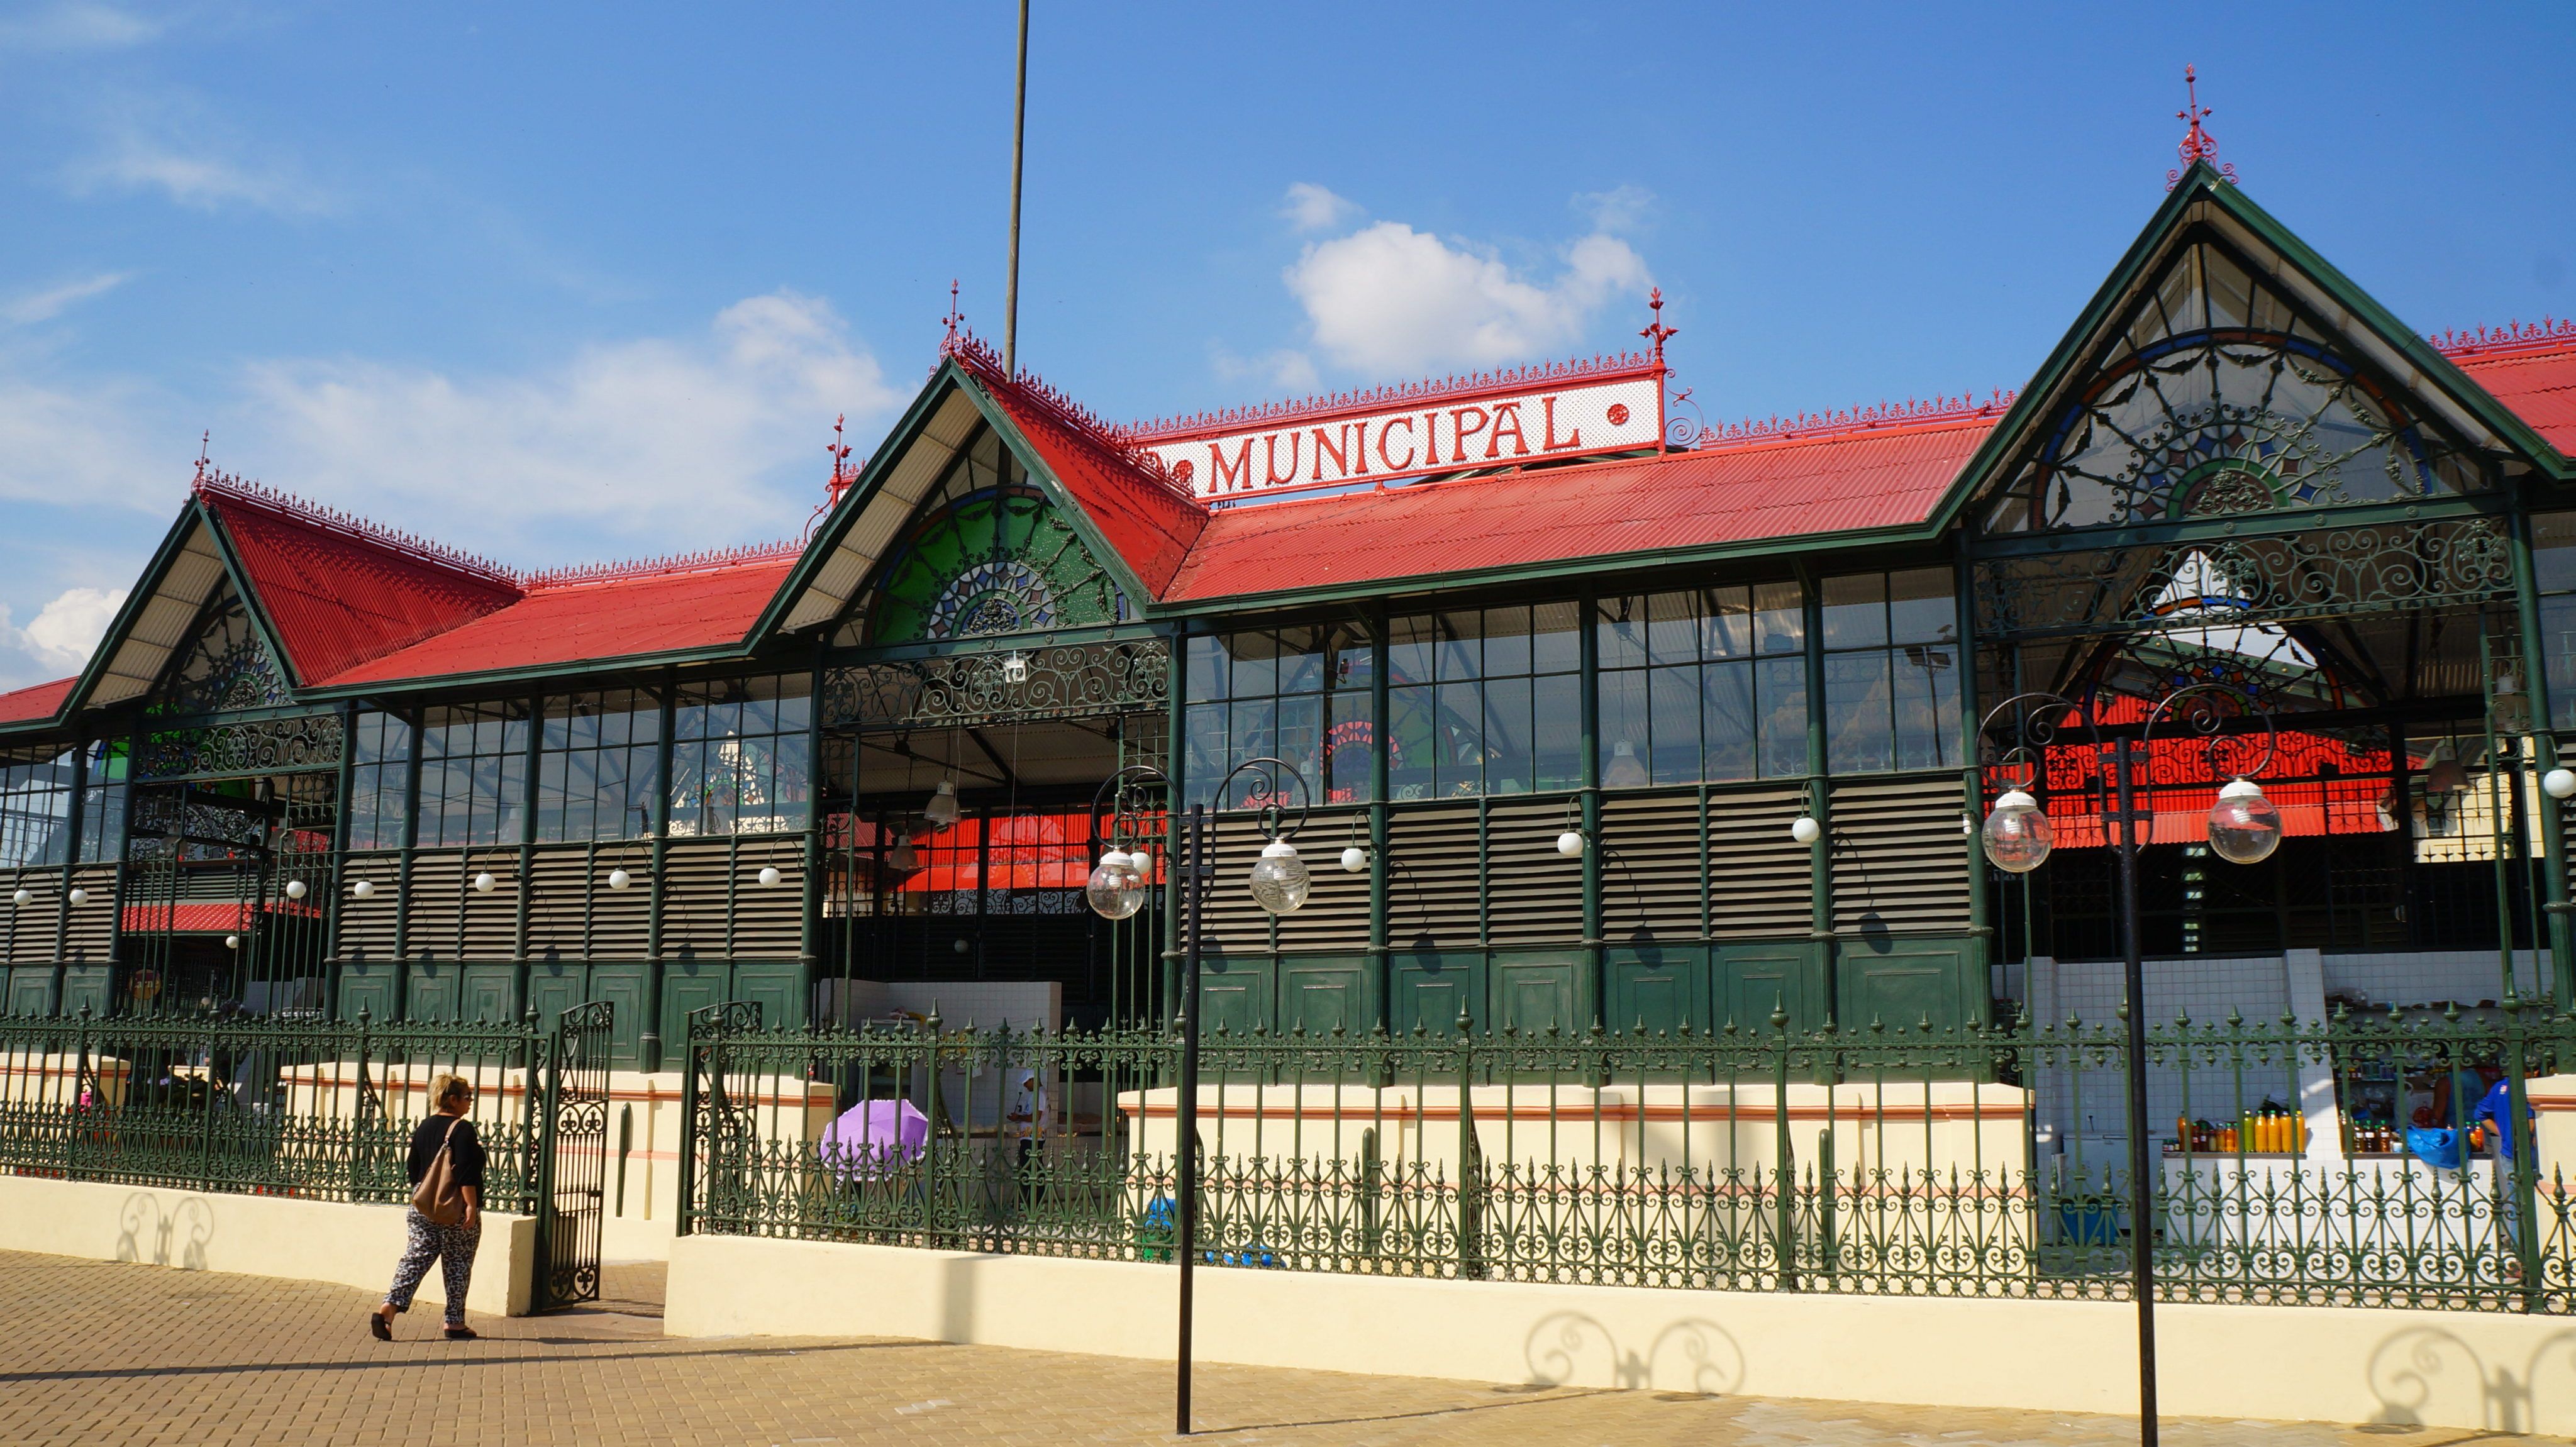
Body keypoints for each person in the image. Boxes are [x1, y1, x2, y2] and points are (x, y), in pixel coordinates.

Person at [371, 1073, 484, 1342]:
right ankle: (455, 1323)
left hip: (422, 1207)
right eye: (467, 1097)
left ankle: (389, 1308)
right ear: (453, 1099)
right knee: (458, 1262)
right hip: (455, 1208)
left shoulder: (424, 1126)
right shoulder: (462, 1128)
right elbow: (465, 1171)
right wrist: (470, 1205)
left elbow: (413, 1169)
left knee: (416, 1258)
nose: (470, 1102)